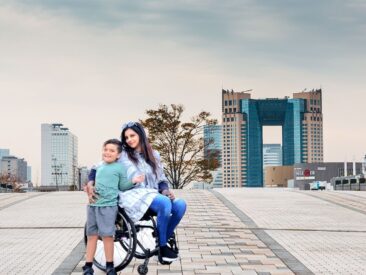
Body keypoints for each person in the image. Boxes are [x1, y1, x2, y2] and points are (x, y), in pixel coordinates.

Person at [86, 122, 187, 263]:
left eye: (132, 135)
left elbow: (161, 179)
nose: (129, 140)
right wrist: (90, 183)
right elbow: (97, 167)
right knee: (164, 203)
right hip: (131, 195)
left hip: (153, 195)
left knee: (181, 204)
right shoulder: (122, 155)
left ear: (140, 135)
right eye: (126, 137)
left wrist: (165, 190)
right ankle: (163, 247)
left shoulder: (154, 155)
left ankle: (160, 238)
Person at [83, 139, 144, 275]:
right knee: (91, 236)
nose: (107, 152)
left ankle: (110, 265)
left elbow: (122, 186)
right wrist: (88, 186)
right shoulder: (98, 166)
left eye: (112, 150)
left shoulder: (119, 168)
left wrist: (133, 181)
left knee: (107, 236)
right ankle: (88, 266)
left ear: (118, 155)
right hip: (93, 205)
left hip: (108, 206)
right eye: (105, 149)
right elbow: (91, 181)